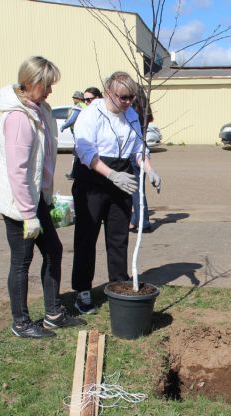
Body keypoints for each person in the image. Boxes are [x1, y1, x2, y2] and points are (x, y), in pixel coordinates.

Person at [0, 56, 85, 339]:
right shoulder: (18, 118)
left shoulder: (40, 109)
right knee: (22, 260)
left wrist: (46, 198)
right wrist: (28, 214)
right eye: (48, 85)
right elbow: (18, 171)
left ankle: (53, 314)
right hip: (16, 199)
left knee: (53, 251)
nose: (51, 91)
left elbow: (43, 160)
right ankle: (21, 322)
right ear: (33, 83)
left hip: (33, 194)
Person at [71, 71, 162, 314]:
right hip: (92, 179)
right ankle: (82, 291)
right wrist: (111, 174)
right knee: (86, 238)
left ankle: (118, 286)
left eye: (132, 97)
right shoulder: (91, 114)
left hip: (121, 181)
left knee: (118, 238)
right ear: (109, 92)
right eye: (123, 97)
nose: (128, 102)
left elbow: (138, 149)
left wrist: (149, 169)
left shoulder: (131, 115)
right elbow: (85, 150)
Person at [129, 86, 154, 233]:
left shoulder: (132, 112)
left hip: (135, 152)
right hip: (143, 149)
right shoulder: (145, 110)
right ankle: (134, 221)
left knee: (136, 191)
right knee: (138, 190)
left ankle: (143, 222)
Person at [65, 87, 102, 180]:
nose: (85, 102)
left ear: (97, 98)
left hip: (98, 157)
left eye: (88, 100)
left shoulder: (103, 113)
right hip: (85, 151)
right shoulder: (85, 112)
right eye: (84, 99)